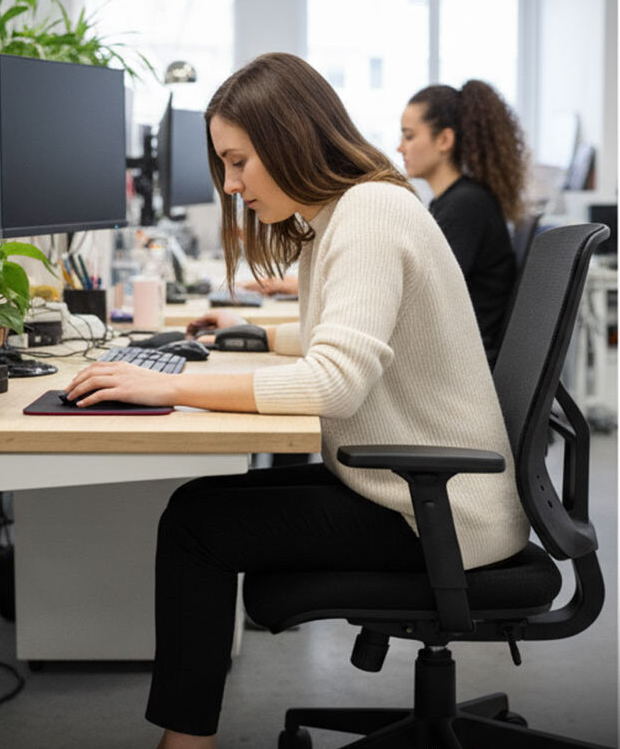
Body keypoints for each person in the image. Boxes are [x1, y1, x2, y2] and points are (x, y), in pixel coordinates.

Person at [63, 53, 529, 749]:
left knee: (197, 522)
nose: (229, 183)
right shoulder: (353, 207)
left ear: (289, 138)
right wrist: (253, 331)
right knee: (203, 507)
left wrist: (166, 384)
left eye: (240, 161)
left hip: (438, 511)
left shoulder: (368, 213)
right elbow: (339, 341)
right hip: (424, 488)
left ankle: (185, 745)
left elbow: (333, 381)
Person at [397, 80, 523, 363]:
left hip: (463, 364)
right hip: (459, 355)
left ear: (444, 140)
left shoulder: (465, 206)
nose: (400, 148)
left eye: (409, 136)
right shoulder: (455, 201)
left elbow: (421, 294)